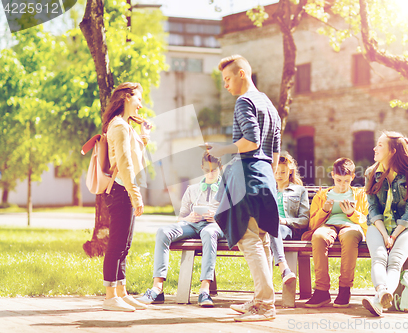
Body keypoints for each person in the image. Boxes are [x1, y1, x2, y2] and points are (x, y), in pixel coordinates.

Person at [207, 54, 281, 322]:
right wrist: (267, 181)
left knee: (249, 241)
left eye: (227, 79)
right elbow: (275, 152)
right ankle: (261, 299)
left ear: (241, 74)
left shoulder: (244, 101)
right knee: (260, 240)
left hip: (248, 176)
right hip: (264, 179)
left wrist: (222, 149)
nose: (225, 85)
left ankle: (264, 305)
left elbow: (251, 141)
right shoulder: (270, 106)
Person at [137, 152, 224, 307]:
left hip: (214, 226)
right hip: (192, 225)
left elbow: (235, 217)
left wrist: (217, 217)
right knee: (163, 231)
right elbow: (181, 218)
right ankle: (157, 288)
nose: (210, 174)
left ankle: (204, 290)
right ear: (201, 168)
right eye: (206, 170)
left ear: (220, 168)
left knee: (208, 232)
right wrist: (189, 218)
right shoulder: (192, 189)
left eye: (214, 170)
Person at [361, 131, 408, 316]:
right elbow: (373, 209)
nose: (375, 148)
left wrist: (394, 235)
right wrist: (384, 234)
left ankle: (378, 300)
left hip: (404, 228)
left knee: (395, 262)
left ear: (393, 150)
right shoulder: (371, 173)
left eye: (380, 145)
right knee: (379, 257)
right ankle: (383, 293)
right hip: (378, 227)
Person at [102, 82, 151, 312]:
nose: (141, 104)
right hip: (121, 191)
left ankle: (121, 292)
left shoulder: (125, 126)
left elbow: (134, 152)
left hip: (124, 190)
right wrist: (135, 193)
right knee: (117, 245)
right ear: (126, 98)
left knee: (125, 245)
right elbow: (124, 163)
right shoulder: (119, 126)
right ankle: (110, 296)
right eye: (138, 99)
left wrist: (145, 136)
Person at [302, 158, 368, 308]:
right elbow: (312, 224)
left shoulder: (360, 194)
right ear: (332, 175)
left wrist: (352, 213)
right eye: (338, 180)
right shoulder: (322, 195)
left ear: (352, 178)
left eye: (346, 181)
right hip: (328, 225)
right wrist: (324, 210)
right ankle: (321, 290)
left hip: (351, 226)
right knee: (318, 236)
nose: (342, 185)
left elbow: (367, 222)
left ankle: (345, 289)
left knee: (350, 236)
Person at [270, 151, 309, 283]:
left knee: (273, 227)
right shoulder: (268, 190)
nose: (279, 175)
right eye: (276, 171)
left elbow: (305, 221)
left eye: (283, 172)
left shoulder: (299, 190)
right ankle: (283, 271)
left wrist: (285, 221)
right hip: (266, 229)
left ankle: (282, 268)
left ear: (290, 171)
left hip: (287, 230)